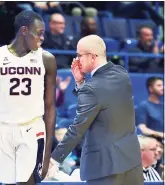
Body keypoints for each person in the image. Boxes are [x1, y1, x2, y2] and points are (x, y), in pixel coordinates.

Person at [0, 10, 57, 185]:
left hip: (32, 128)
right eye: (39, 33)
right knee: (6, 183)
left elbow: (50, 107)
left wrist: (48, 151)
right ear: (24, 31)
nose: (42, 38)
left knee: (26, 182)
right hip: (3, 129)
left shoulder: (47, 59)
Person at [47, 35, 144, 185]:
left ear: (92, 57)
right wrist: (80, 83)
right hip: (132, 162)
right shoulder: (122, 74)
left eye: (79, 55)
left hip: (104, 167)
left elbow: (78, 128)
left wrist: (54, 159)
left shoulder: (92, 88)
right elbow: (100, 103)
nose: (77, 60)